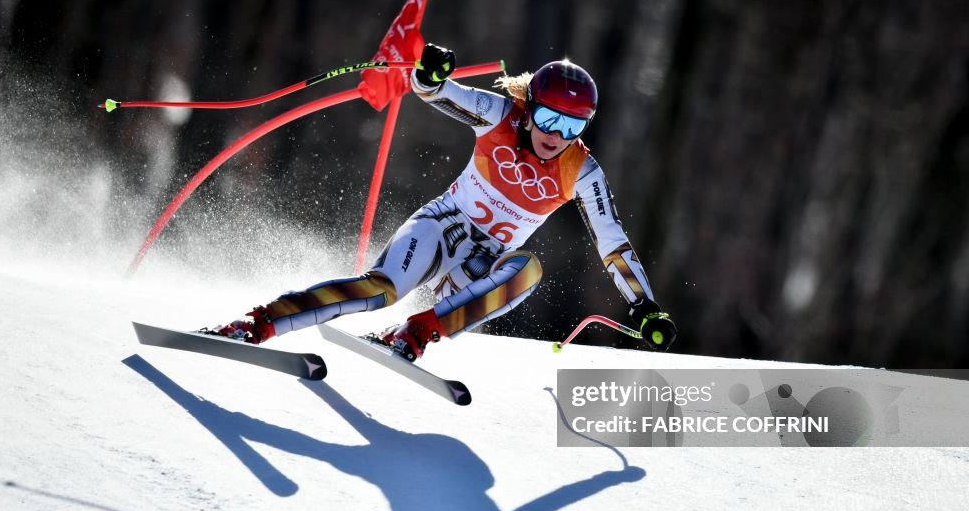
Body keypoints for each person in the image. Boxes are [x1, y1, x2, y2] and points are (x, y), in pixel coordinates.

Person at [206, 44, 678, 360]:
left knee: (529, 269)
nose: (557, 136)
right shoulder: (499, 115)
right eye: (551, 119)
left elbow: (613, 244)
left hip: (477, 272)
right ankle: (258, 324)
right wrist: (429, 73)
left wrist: (644, 305)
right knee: (380, 291)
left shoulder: (583, 170)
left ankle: (415, 333)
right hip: (441, 229)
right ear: (530, 107)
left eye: (573, 127)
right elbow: (433, 91)